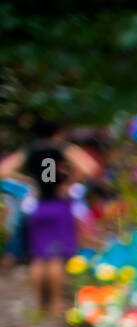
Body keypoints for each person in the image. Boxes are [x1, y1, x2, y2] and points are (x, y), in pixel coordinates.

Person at [0, 118, 100, 314]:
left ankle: (40, 303)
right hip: (58, 206)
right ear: (57, 131)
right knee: (55, 256)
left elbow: (3, 171)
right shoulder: (62, 148)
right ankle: (54, 304)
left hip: (38, 207)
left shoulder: (29, 150)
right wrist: (69, 183)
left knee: (38, 256)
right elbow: (90, 167)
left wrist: (29, 182)